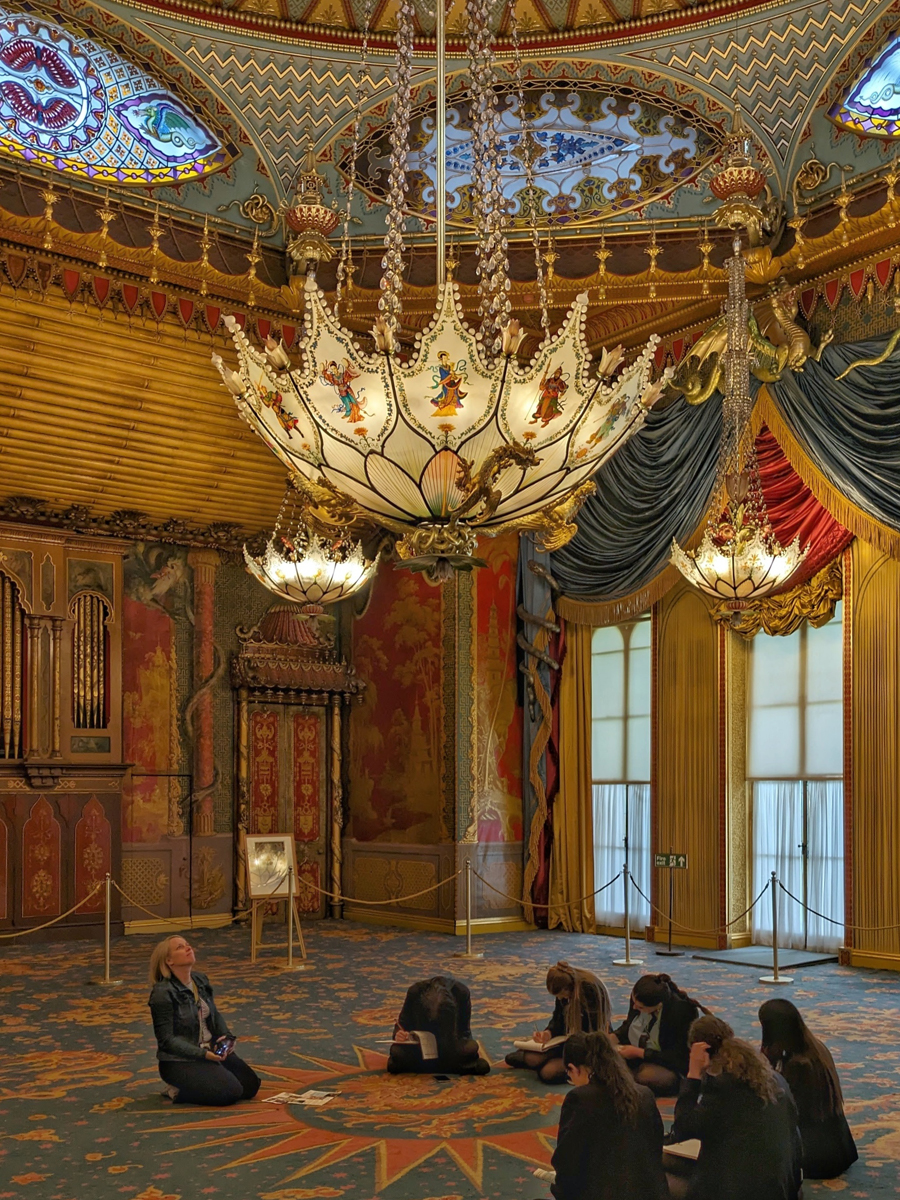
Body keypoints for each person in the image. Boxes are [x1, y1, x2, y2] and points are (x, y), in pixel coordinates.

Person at [666, 1015, 802, 1200]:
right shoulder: (774, 1079)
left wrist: (693, 1074)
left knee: (650, 1173)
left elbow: (683, 1128)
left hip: (740, 1191)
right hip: (782, 1187)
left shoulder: (723, 1092)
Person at [550, 1031, 668, 1200]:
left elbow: (567, 1162)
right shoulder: (645, 1094)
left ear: (574, 1068)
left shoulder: (579, 1099)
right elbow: (655, 1149)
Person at [148, 935, 260, 1106]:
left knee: (251, 1086)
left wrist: (226, 1036)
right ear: (169, 960)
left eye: (187, 944)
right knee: (231, 1092)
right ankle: (177, 1092)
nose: (188, 948)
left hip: (210, 1049)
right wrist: (202, 1054)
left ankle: (210, 1077)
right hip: (179, 1061)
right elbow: (167, 1041)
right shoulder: (163, 992)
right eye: (180, 947)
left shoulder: (200, 980)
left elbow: (214, 1014)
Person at [759, 998, 858, 1179]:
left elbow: (788, 1111)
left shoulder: (799, 1066)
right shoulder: (815, 1047)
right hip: (840, 1147)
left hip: (817, 1157)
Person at [506, 961, 611, 1083]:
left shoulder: (590, 990)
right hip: (567, 1039)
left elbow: (593, 1032)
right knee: (528, 1059)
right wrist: (548, 1033)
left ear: (568, 988)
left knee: (547, 1073)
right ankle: (544, 1057)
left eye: (562, 995)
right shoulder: (565, 990)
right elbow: (558, 1019)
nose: (560, 999)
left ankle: (551, 1060)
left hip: (586, 1045)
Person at [611, 972, 709, 1095]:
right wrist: (613, 1038)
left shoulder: (682, 1012)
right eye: (634, 1002)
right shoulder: (639, 997)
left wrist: (640, 1053)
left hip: (670, 1064)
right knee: (604, 1059)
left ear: (658, 1005)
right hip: (641, 1052)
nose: (635, 1007)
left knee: (645, 1076)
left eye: (640, 1007)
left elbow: (677, 1058)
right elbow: (630, 1025)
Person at [387, 975, 490, 1075]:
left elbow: (465, 1032)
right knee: (397, 1051)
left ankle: (424, 1067)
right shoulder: (415, 992)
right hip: (420, 1047)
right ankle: (452, 1067)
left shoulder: (461, 993)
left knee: (471, 1047)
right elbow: (402, 1024)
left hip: (449, 1044)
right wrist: (399, 1035)